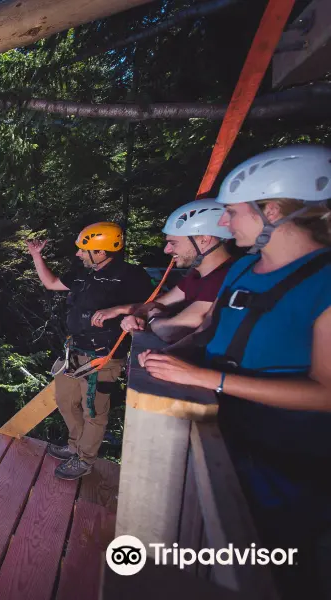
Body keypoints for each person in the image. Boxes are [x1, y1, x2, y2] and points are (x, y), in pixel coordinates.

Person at [138, 145, 331, 599]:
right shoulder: (243, 267)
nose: (223, 224)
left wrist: (207, 379)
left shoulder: (324, 282)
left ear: (274, 211)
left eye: (232, 212)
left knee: (274, 563)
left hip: (288, 453)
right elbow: (210, 328)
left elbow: (326, 393)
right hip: (224, 428)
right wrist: (174, 358)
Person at [26, 222, 154, 480]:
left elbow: (151, 306)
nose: (79, 254)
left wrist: (118, 310)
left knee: (93, 410)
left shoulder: (131, 276)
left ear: (103, 251)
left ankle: (84, 459)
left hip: (104, 355)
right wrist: (36, 256)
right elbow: (51, 283)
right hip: (74, 350)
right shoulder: (83, 273)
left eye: (85, 250)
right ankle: (74, 444)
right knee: (64, 399)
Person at [92, 199, 235, 342]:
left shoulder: (227, 277)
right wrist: (137, 314)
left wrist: (152, 316)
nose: (167, 250)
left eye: (173, 243)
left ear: (204, 239)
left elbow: (171, 330)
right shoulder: (196, 276)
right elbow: (157, 303)